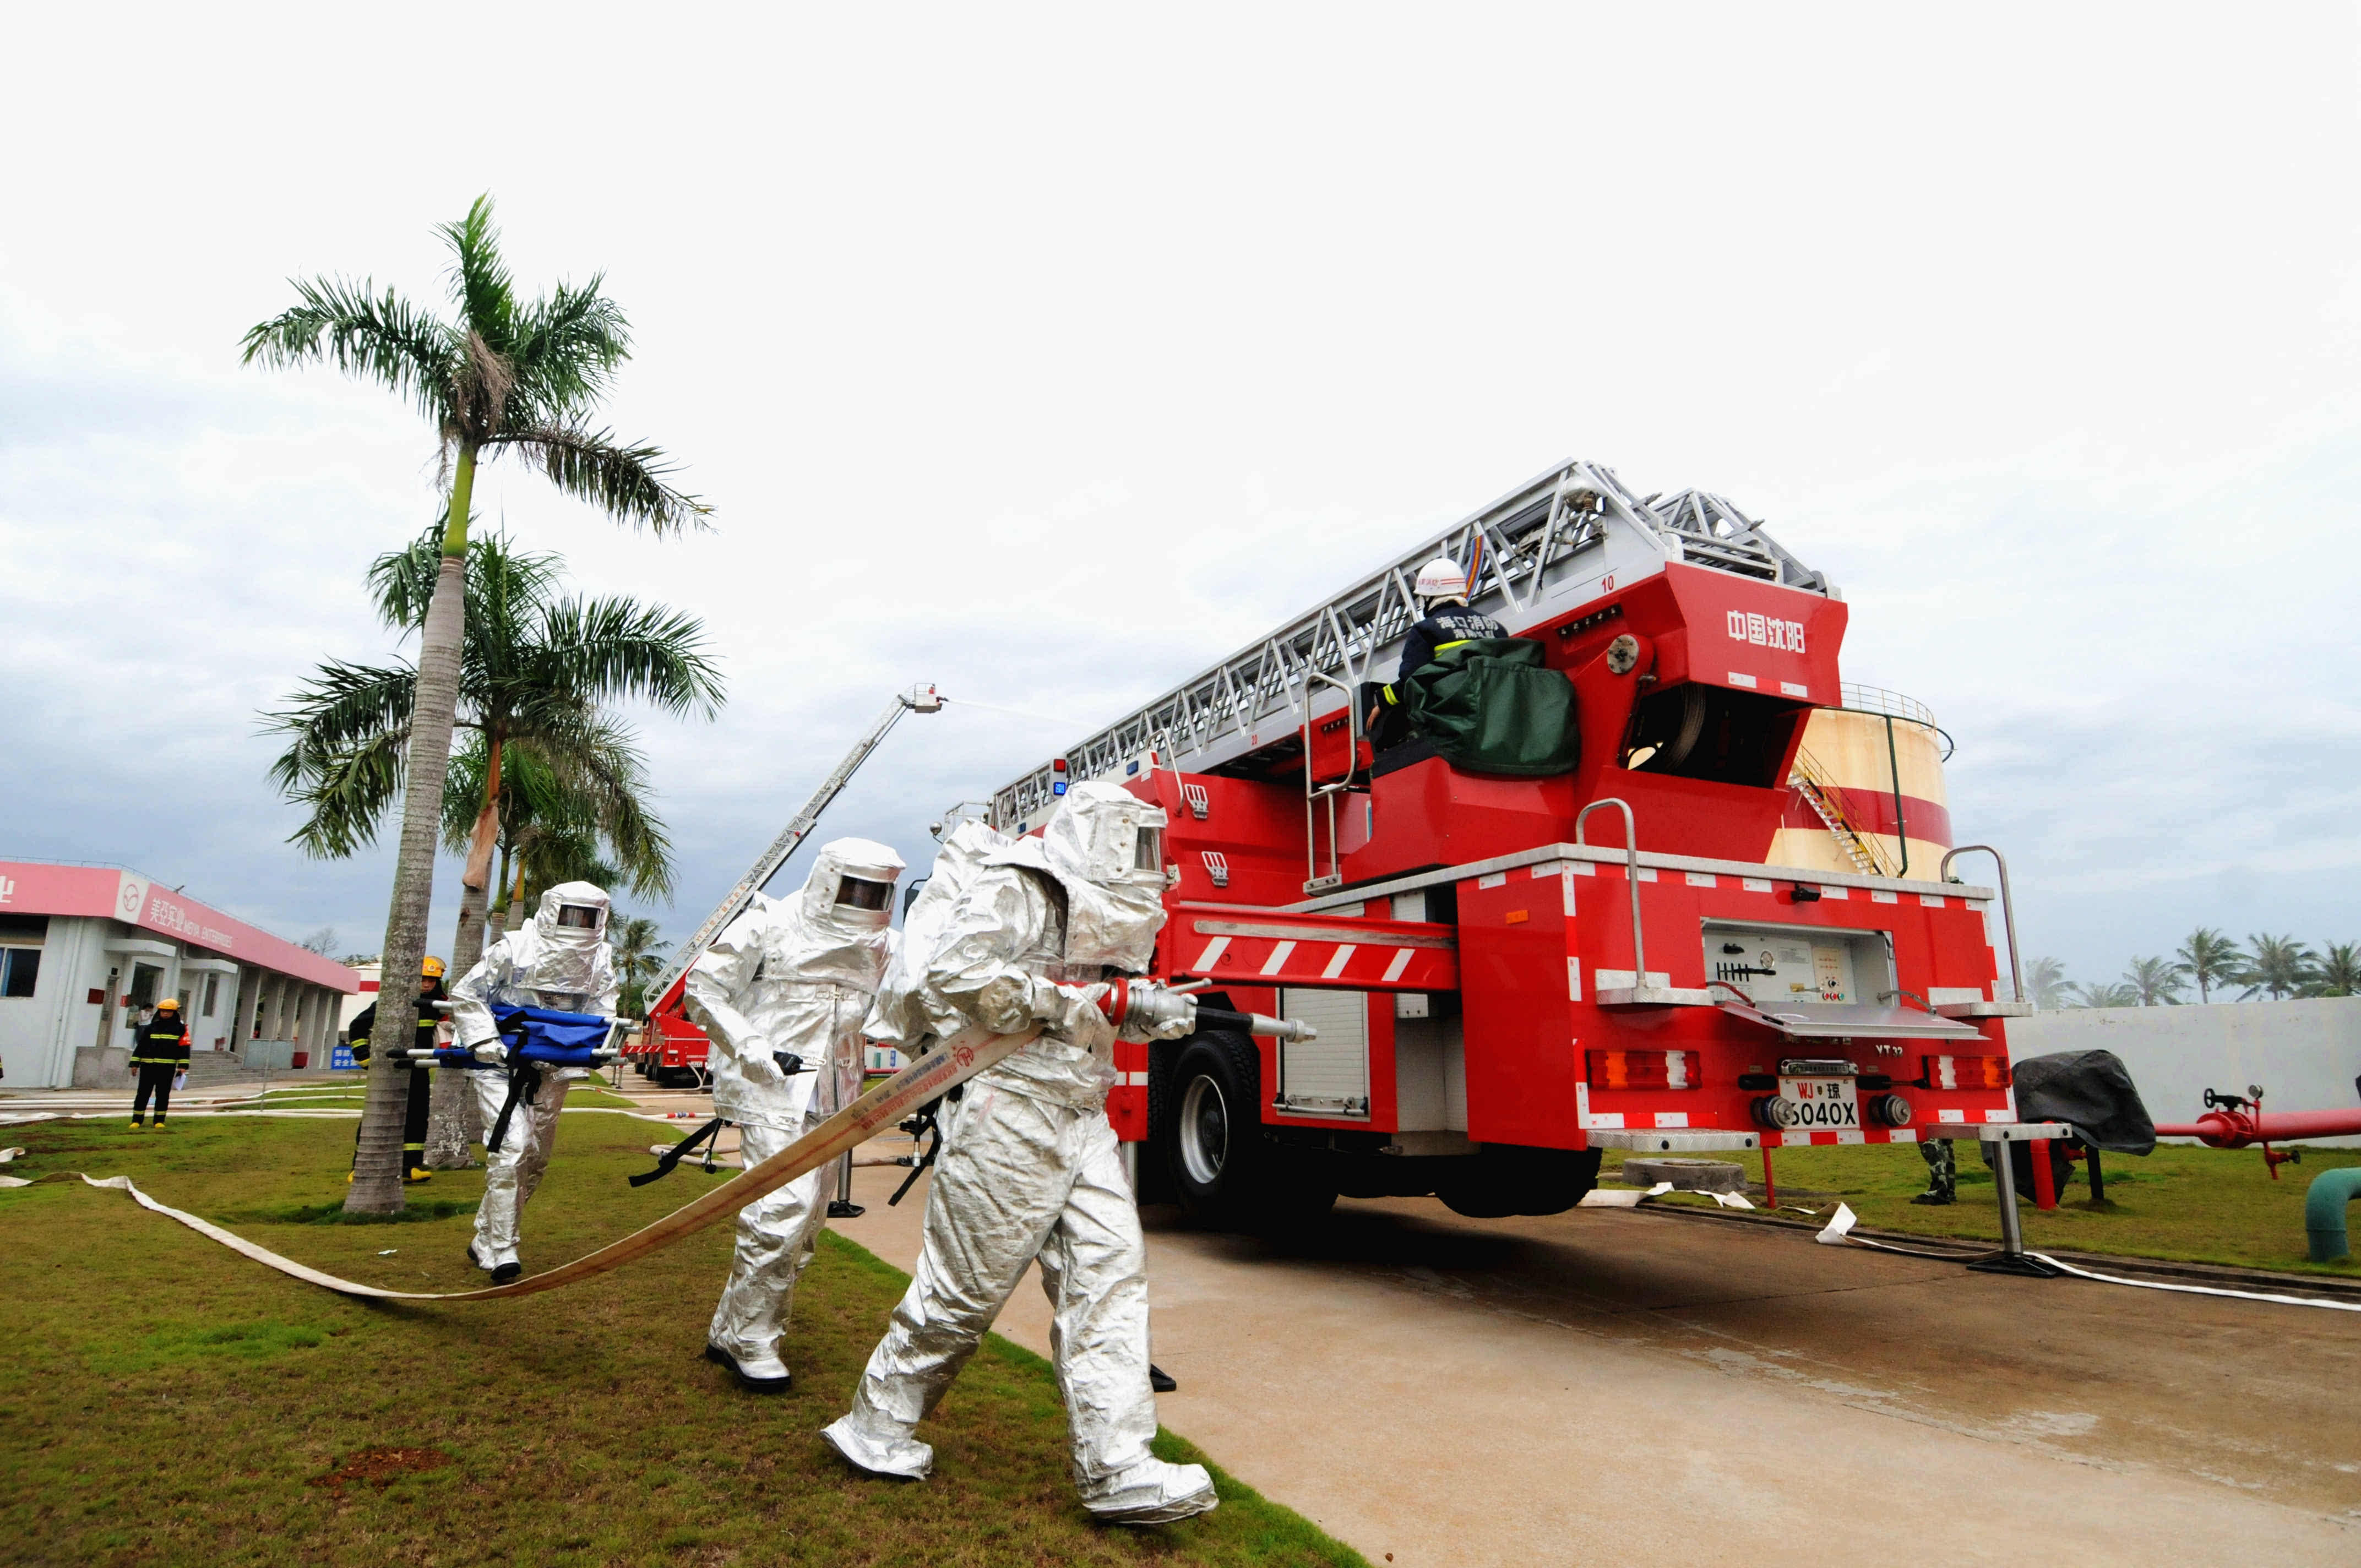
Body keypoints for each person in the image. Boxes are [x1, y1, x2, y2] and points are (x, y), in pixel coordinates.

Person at [822, 782, 1213, 1526]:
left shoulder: (1108, 908)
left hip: (1081, 1115)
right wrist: (1082, 1004)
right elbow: (958, 977)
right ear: (1098, 834)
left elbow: (1097, 1008)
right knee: (962, 1295)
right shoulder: (1022, 887)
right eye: (1137, 845)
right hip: (1009, 1112)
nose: (1149, 863)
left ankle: (1118, 1467)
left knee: (1109, 1281)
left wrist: (1145, 1015)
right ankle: (875, 1425)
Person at [683, 839, 905, 1392]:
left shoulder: (884, 945)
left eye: (875, 891)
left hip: (836, 1094)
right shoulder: (770, 922)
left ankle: (729, 1325)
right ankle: (753, 1338)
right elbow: (704, 988)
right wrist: (751, 1046)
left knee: (804, 1227)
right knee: (780, 1210)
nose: (863, 900)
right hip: (772, 1086)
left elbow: (912, 1003)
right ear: (829, 879)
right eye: (855, 887)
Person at [449, 882, 619, 1283]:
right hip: (499, 1063)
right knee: (512, 1149)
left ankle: (485, 1236)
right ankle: (503, 1249)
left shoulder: (600, 960)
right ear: (551, 910)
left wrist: (592, 1048)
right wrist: (486, 1041)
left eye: (587, 917)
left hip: (553, 1066)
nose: (578, 924)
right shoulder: (513, 949)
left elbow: (603, 1010)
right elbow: (467, 994)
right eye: (571, 914)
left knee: (536, 1160)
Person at [346, 956, 448, 1184]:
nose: (427, 984)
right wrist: (364, 1057)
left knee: (418, 1116)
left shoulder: (438, 1004)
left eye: (432, 980)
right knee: (377, 1117)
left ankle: (410, 1167)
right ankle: (359, 1166)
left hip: (419, 1068)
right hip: (390, 1068)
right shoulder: (394, 1001)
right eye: (423, 979)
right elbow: (357, 1027)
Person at [129, 997, 189, 1130]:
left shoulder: (181, 1029)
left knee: (162, 1094)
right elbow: (141, 1046)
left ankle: (159, 1121)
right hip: (148, 1066)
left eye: (168, 1011)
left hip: (167, 1068)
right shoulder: (151, 1028)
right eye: (163, 1011)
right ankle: (137, 1120)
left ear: (174, 1013)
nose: (165, 1014)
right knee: (142, 1094)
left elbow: (184, 1048)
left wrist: (183, 1066)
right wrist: (135, 1063)